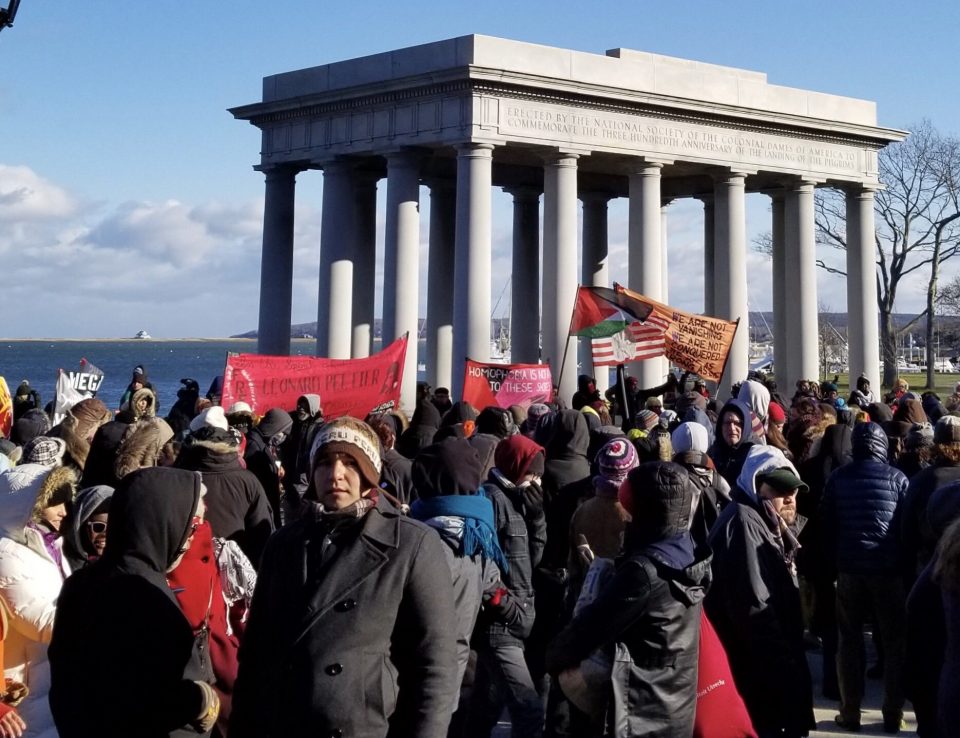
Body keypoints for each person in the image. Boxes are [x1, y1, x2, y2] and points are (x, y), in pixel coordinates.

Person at [230, 417, 459, 738]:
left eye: (350, 462)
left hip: (367, 727)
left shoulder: (411, 544)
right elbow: (256, 654)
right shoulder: (283, 543)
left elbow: (435, 666)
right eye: (324, 462)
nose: (335, 474)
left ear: (370, 473)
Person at [49, 467, 219, 738]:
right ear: (164, 522)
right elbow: (146, 702)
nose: (190, 537)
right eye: (192, 526)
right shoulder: (148, 597)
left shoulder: (80, 583)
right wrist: (201, 699)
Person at [546, 462, 712, 738]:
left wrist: (552, 657)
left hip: (639, 710)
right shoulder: (689, 552)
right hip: (673, 704)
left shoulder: (645, 571)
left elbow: (590, 628)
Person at [706, 445, 815, 738]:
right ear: (757, 487)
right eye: (779, 489)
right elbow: (754, 609)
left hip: (763, 672)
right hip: (758, 677)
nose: (790, 497)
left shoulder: (767, 523)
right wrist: (786, 672)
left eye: (793, 489)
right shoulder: (744, 523)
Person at [820, 422, 909, 733]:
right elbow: (904, 528)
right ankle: (893, 711)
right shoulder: (897, 478)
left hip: (850, 568)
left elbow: (826, 524)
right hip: (888, 569)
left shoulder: (838, 478)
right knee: (895, 642)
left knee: (849, 641)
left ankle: (850, 710)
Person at [466, 434, 547, 738]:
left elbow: (533, 558)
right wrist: (507, 605)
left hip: (516, 617)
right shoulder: (491, 499)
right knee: (528, 710)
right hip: (500, 623)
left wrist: (538, 518)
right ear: (515, 467)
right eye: (531, 473)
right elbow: (483, 563)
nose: (536, 481)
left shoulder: (519, 500)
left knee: (483, 709)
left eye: (539, 474)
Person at [0, 463, 77, 738]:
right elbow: (44, 622)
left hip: (44, 680)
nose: (63, 511)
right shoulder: (6, 554)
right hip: (23, 693)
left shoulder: (46, 545)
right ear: (28, 506)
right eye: (54, 503)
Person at [175, 407, 274, 568]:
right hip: (235, 574)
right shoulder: (247, 480)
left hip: (185, 575)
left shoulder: (177, 476)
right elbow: (262, 535)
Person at [243, 407, 293, 529]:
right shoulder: (254, 446)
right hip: (262, 507)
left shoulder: (262, 442)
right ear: (275, 427)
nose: (283, 437)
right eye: (283, 433)